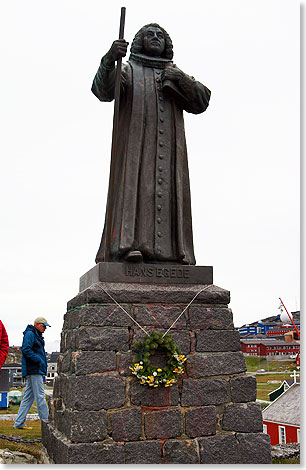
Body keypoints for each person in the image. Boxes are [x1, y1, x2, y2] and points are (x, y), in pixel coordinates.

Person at [92, 23, 211, 265]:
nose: (156, 38)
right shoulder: (128, 69)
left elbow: (202, 100)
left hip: (170, 155)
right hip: (135, 148)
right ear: (138, 42)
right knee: (134, 191)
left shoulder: (174, 74)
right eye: (150, 35)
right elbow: (102, 90)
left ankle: (174, 254)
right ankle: (126, 248)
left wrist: (181, 78)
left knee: (169, 196)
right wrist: (108, 60)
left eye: (160, 36)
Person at [14, 317, 50, 430]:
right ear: (37, 324)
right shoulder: (30, 334)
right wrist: (38, 360)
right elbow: (26, 349)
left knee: (28, 397)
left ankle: (19, 423)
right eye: (44, 326)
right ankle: (47, 422)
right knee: (40, 396)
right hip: (34, 369)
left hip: (34, 369)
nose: (45, 328)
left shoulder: (35, 335)